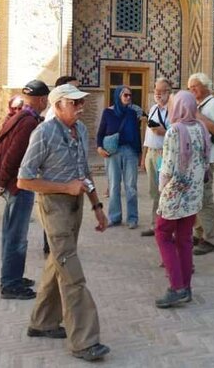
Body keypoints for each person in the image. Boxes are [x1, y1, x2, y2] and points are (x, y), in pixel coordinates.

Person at [17, 84, 110, 362]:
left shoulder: (80, 130)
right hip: (54, 206)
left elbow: (83, 171)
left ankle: (42, 322)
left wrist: (96, 205)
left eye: (81, 103)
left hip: (76, 206)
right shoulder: (43, 133)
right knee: (72, 273)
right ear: (57, 106)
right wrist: (64, 187)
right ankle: (84, 340)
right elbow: (24, 180)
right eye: (74, 103)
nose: (80, 108)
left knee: (57, 263)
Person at [0, 80, 50, 300]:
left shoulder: (20, 116)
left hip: (12, 183)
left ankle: (12, 275)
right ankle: (10, 283)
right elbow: (14, 155)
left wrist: (0, 181)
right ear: (42, 100)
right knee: (17, 236)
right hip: (18, 185)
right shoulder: (28, 123)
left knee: (10, 233)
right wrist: (3, 181)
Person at [154, 90, 210, 308]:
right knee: (184, 239)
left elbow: (166, 167)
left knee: (163, 234)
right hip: (194, 193)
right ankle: (185, 286)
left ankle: (176, 287)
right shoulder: (201, 128)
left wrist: (162, 190)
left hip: (175, 193)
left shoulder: (174, 131)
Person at [188, 73, 214, 255]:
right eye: (189, 88)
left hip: (206, 160)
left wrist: (197, 115)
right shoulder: (199, 105)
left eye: (195, 86)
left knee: (205, 199)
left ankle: (209, 239)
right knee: (196, 198)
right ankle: (198, 233)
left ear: (205, 86)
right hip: (195, 159)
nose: (192, 90)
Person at [43, 75, 79, 257]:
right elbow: (25, 177)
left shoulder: (77, 127)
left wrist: (96, 205)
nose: (79, 104)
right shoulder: (48, 126)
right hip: (55, 192)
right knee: (60, 250)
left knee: (61, 250)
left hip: (70, 193)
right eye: (74, 99)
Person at [96, 85, 142, 228]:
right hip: (112, 152)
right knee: (114, 185)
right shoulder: (108, 112)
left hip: (130, 151)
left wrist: (139, 153)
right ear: (118, 96)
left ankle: (132, 218)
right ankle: (115, 217)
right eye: (125, 95)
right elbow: (101, 132)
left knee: (131, 186)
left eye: (130, 95)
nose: (128, 97)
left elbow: (136, 134)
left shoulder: (132, 113)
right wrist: (99, 147)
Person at [141, 77, 171, 237]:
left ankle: (165, 226)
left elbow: (176, 135)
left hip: (164, 155)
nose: (158, 94)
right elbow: (147, 135)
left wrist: (163, 132)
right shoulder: (153, 109)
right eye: (156, 91)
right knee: (154, 191)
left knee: (164, 191)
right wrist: (144, 156)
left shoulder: (173, 111)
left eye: (161, 91)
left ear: (168, 92)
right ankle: (155, 225)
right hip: (151, 154)